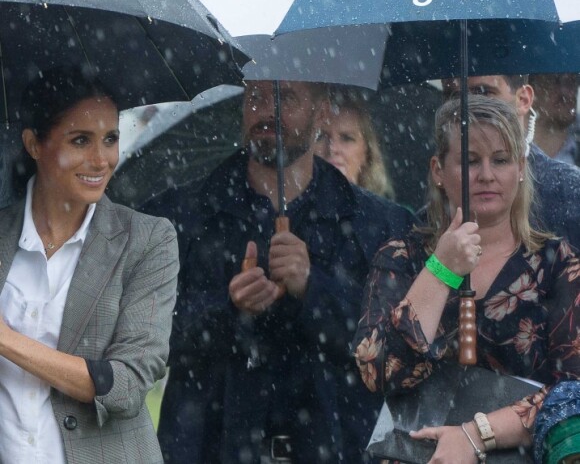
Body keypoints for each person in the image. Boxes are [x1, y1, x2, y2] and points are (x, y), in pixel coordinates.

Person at [152, 80, 416, 463]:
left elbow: (394, 352)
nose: (267, 111)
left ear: (322, 111)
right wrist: (228, 309)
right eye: (255, 97)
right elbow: (150, 341)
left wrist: (314, 288)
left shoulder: (378, 225)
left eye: (285, 97)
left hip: (337, 449)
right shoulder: (182, 216)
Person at [354, 95, 580, 462]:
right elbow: (377, 371)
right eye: (470, 160)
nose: (486, 174)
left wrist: (475, 434)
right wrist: (440, 269)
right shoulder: (401, 256)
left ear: (521, 168)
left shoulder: (557, 264)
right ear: (438, 170)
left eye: (501, 160)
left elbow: (573, 391)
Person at [0, 67, 179, 463]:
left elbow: (128, 385)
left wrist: (7, 341)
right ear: (34, 144)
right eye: (81, 140)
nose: (101, 160)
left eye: (110, 139)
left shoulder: (148, 240)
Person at [441, 74, 580, 249]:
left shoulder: (570, 194)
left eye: (482, 93)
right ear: (437, 171)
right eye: (452, 97)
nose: (465, 108)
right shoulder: (429, 215)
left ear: (523, 99)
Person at [314, 87, 395, 199]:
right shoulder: (287, 210)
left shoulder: (393, 215)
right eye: (321, 137)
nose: (332, 148)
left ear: (367, 152)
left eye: (346, 138)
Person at [528, 73, 580, 167]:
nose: (567, 93)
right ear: (531, 90)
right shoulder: (508, 141)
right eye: (556, 81)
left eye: (572, 82)